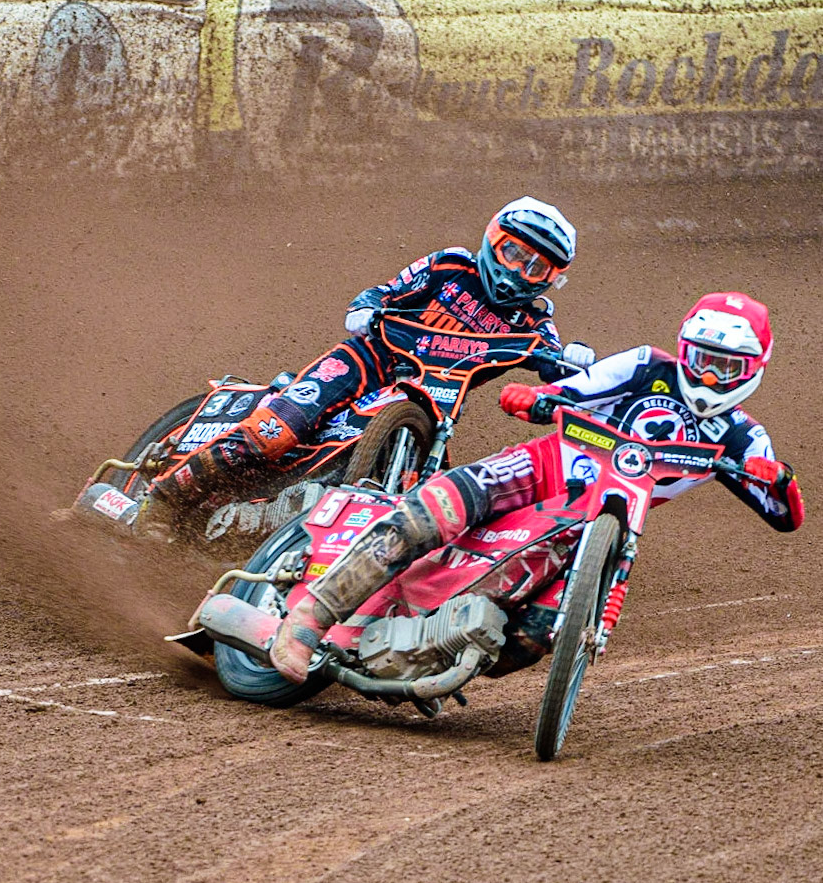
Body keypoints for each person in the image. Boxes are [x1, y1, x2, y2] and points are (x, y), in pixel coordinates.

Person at [269, 290, 805, 684]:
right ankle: (309, 618)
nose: (708, 377)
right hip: (541, 467)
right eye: (701, 360)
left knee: (528, 641)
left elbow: (782, 513)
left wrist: (777, 480)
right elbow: (576, 388)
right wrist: (537, 397)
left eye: (725, 367)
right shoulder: (646, 365)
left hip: (591, 523)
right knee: (432, 513)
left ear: (753, 369)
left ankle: (428, 647)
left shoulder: (743, 436)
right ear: (684, 348)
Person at [141, 197, 596, 526]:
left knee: (439, 504)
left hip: (430, 411)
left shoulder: (533, 322)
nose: (518, 271)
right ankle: (162, 500)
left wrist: (576, 362)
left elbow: (556, 367)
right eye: (513, 253)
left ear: (551, 279)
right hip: (363, 363)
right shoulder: (450, 266)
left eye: (535, 267)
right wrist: (366, 307)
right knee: (275, 434)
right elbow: (386, 291)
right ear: (492, 241)